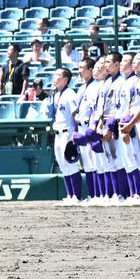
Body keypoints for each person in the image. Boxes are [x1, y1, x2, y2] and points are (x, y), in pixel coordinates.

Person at [49, 67, 85, 205]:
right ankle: (70, 195)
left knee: (71, 165)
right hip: (58, 133)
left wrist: (75, 134)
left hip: (67, 133)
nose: (54, 77)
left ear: (65, 80)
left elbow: (76, 115)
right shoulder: (57, 95)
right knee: (63, 165)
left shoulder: (70, 94)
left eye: (58, 75)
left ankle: (76, 196)